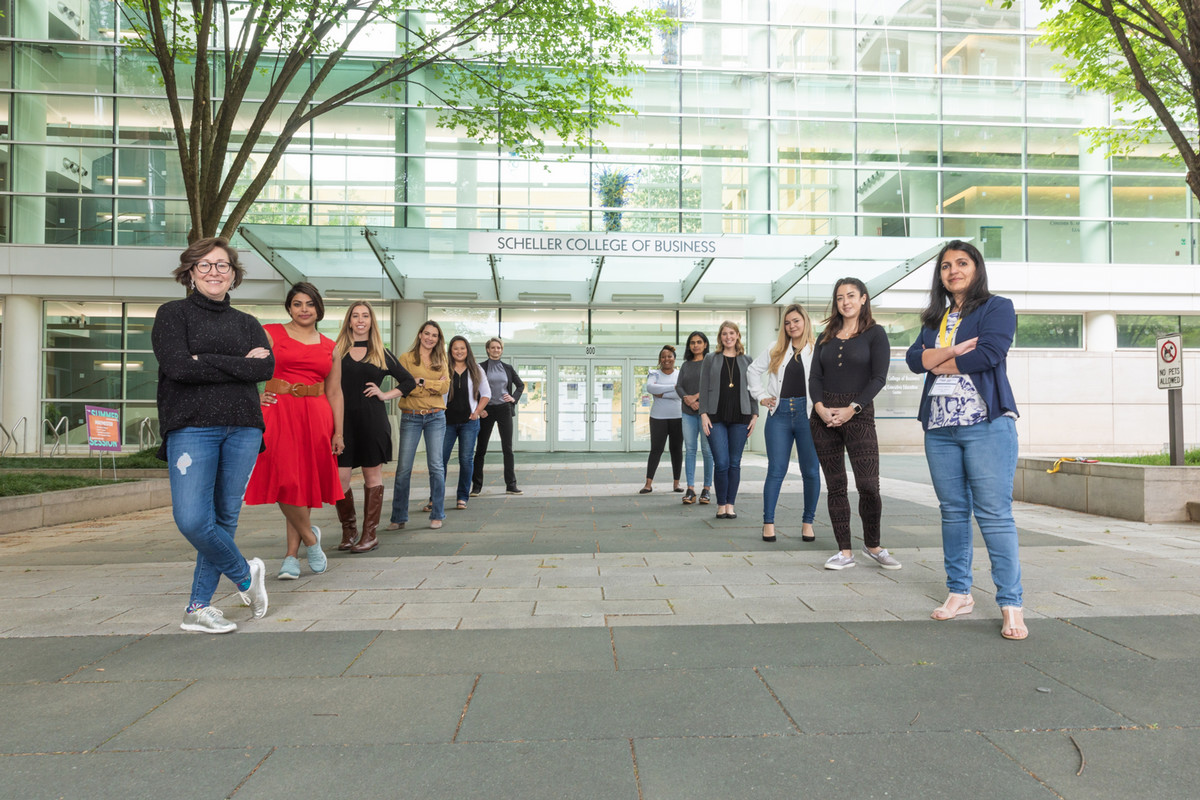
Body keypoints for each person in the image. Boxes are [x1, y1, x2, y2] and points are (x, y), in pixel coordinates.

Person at [906, 240, 1027, 640]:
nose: (953, 270)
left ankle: (1011, 603)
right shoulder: (934, 316)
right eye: (945, 266)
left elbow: (989, 354)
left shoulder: (997, 307)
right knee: (953, 512)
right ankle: (960, 592)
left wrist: (937, 360)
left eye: (961, 263)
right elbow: (911, 360)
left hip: (986, 424)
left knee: (994, 514)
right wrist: (953, 350)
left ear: (976, 268)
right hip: (940, 429)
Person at [152, 236, 270, 633]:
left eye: (222, 265)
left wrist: (206, 360)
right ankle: (244, 574)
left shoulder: (248, 323)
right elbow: (178, 368)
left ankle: (198, 607)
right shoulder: (172, 315)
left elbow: (263, 370)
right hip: (191, 427)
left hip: (244, 429)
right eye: (204, 265)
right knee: (191, 520)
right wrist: (238, 364)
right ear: (189, 273)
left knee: (224, 518)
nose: (214, 272)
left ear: (233, 275)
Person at [246, 282, 345, 580]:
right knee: (285, 479)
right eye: (298, 303)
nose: (304, 309)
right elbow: (243, 366)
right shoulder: (270, 333)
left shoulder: (331, 347)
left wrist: (338, 432)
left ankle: (291, 557)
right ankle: (311, 540)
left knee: (302, 483)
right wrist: (253, 395)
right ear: (289, 307)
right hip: (278, 412)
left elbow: (336, 392)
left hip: (316, 417)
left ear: (319, 309)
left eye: (310, 304)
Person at [809, 278, 897, 571]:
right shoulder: (826, 335)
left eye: (850, 296)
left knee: (869, 486)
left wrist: (852, 409)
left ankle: (873, 545)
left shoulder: (875, 334)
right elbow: (815, 378)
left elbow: (878, 378)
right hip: (823, 419)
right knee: (836, 486)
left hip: (859, 416)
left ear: (863, 299)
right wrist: (820, 409)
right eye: (839, 297)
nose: (844, 302)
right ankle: (844, 552)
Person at [332, 301, 417, 554]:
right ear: (348, 321)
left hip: (372, 422)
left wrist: (385, 394)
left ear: (371, 321)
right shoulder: (337, 350)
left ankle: (370, 535)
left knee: (372, 476)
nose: (360, 320)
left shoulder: (381, 352)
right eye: (355, 315)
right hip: (342, 423)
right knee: (341, 478)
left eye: (365, 316)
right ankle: (350, 531)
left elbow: (409, 381)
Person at [748, 303, 821, 544]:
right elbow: (752, 370)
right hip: (778, 415)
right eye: (787, 323)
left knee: (810, 471)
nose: (791, 326)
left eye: (796, 321)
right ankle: (768, 523)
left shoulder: (818, 347)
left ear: (805, 322)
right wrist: (761, 396)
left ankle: (807, 523)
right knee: (776, 470)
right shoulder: (775, 348)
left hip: (808, 415)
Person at [387, 320, 451, 530]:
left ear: (438, 339)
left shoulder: (442, 359)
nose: (430, 338)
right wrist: (430, 384)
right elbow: (404, 387)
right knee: (404, 468)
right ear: (420, 334)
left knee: (436, 466)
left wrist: (421, 382)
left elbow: (445, 387)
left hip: (435, 417)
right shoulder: (406, 358)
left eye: (434, 335)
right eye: (427, 333)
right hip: (411, 416)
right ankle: (398, 517)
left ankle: (437, 514)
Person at [699, 321, 758, 520]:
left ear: (738, 335)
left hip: (741, 416)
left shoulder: (747, 360)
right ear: (720, 337)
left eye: (732, 333)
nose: (728, 337)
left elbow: (752, 388)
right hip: (715, 416)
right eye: (724, 334)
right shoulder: (710, 358)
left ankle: (730, 504)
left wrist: (755, 414)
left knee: (735, 462)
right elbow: (704, 386)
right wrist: (703, 414)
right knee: (721, 462)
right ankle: (720, 503)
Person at [437, 336, 491, 510]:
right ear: (450, 351)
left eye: (462, 348)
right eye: (455, 348)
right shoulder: (443, 368)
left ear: (467, 350)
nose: (459, 351)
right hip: (446, 422)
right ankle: (435, 498)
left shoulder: (476, 369)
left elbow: (486, 394)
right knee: (440, 460)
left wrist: (476, 412)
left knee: (466, 460)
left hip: (469, 423)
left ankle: (462, 497)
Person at [472, 337, 525, 496]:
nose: (496, 350)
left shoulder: (507, 368)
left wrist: (513, 398)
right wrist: (479, 409)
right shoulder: (480, 367)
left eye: (499, 348)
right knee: (481, 449)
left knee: (507, 448)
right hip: (486, 410)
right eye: (493, 347)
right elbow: (473, 389)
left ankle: (511, 485)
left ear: (501, 350)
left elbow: (520, 385)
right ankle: (476, 486)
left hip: (504, 409)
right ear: (487, 349)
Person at [640, 345, 683, 494]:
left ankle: (676, 484)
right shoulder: (654, 374)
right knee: (656, 450)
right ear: (660, 360)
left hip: (678, 416)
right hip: (658, 417)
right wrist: (674, 388)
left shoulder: (680, 374)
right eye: (664, 357)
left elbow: (681, 393)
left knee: (676, 450)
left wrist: (663, 392)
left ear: (674, 359)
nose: (667, 359)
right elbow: (651, 388)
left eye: (670, 356)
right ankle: (648, 484)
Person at [677, 331, 714, 505]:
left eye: (699, 342)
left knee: (707, 450)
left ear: (705, 344)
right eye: (692, 342)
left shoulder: (711, 363)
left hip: (706, 412)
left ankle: (706, 489)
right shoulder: (685, 365)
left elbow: (712, 386)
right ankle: (690, 489)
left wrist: (696, 397)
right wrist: (688, 399)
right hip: (688, 412)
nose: (695, 345)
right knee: (690, 450)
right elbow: (679, 386)